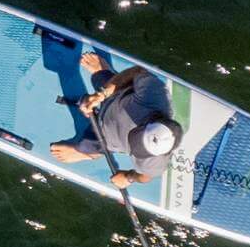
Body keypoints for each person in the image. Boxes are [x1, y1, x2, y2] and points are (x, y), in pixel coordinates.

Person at [50, 48, 180, 188]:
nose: (134, 144)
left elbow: (145, 176)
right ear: (149, 123)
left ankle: (89, 154)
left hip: (108, 139)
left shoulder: (155, 162)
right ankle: (104, 72)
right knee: (106, 79)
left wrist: (128, 177)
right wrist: (101, 95)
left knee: (86, 146)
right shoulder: (156, 97)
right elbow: (138, 71)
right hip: (115, 98)